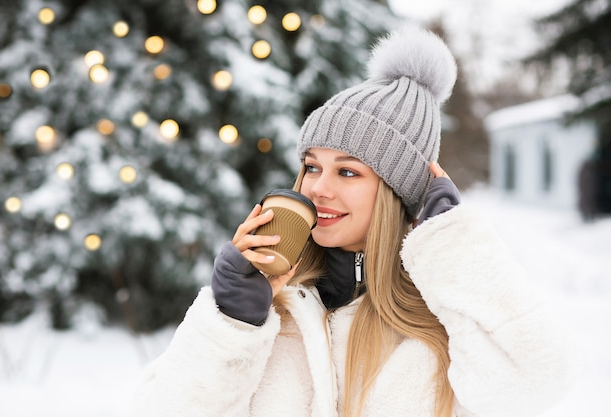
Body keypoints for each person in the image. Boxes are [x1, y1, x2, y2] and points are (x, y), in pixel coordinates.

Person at [131, 26, 576, 417]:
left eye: (348, 171)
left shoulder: (446, 324)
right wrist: (231, 321)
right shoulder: (268, 311)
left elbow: (536, 382)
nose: (318, 187)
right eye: (311, 166)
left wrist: (453, 245)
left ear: (397, 191)